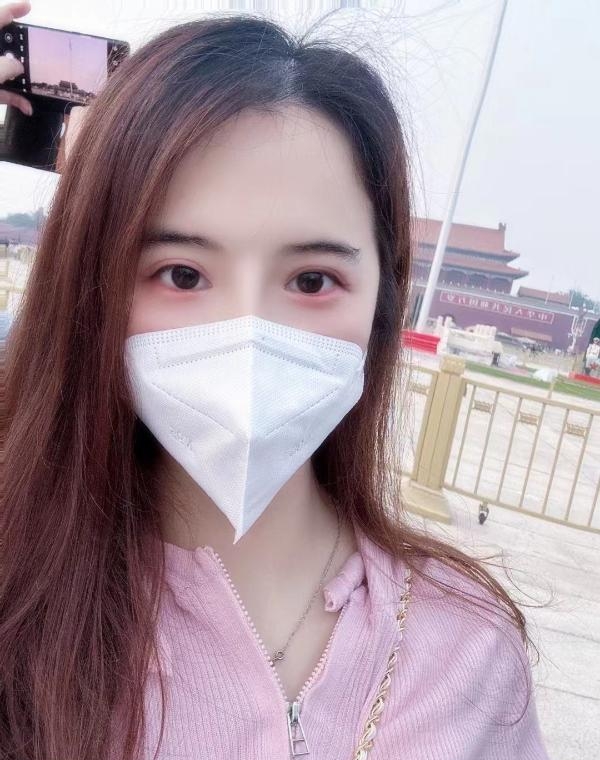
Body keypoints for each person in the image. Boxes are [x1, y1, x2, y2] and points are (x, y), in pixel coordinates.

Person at [0, 2, 551, 759]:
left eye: (312, 279)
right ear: (94, 284)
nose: (249, 331)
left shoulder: (469, 649)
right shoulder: (20, 599)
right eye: (182, 274)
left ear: (383, 299)